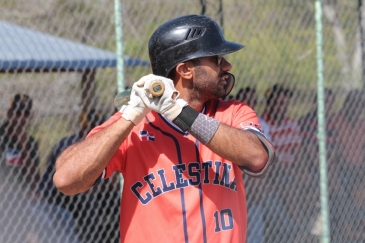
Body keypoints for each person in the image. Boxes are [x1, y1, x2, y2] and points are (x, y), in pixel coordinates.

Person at [53, 14, 275, 243]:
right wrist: (129, 115)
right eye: (216, 59)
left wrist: (179, 111)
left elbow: (258, 157)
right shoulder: (133, 125)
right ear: (186, 70)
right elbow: (66, 180)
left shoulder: (233, 113)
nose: (226, 66)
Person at [0, 94, 79, 243]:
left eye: (26, 114)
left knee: (64, 216)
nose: (22, 119)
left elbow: (36, 180)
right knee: (44, 222)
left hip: (27, 200)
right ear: (9, 114)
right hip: (6, 199)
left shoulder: (30, 143)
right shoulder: (1, 138)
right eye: (18, 114)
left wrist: (24, 147)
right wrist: (19, 194)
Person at [41, 109, 120, 243]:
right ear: (83, 127)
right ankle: (90, 240)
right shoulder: (71, 143)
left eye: (97, 126)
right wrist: (101, 189)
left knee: (115, 198)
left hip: (92, 190)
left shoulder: (101, 144)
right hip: (59, 194)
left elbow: (111, 183)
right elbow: (72, 180)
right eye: (90, 126)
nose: (94, 130)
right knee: (88, 202)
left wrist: (107, 188)